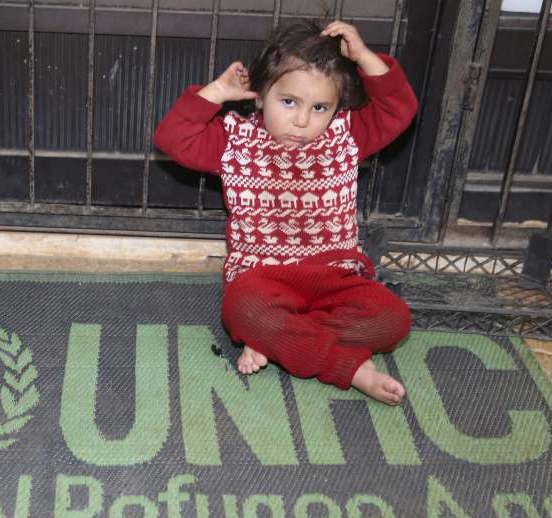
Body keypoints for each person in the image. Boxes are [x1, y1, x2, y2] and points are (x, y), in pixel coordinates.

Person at [154, 19, 418, 405]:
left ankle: (278, 340)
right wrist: (218, 91)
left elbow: (399, 108)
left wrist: (363, 57)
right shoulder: (236, 142)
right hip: (263, 278)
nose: (301, 120)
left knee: (393, 320)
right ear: (260, 96)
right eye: (289, 101)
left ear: (336, 108)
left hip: (335, 277)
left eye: (319, 107)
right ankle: (346, 367)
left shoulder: (346, 136)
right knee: (242, 309)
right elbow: (172, 138)